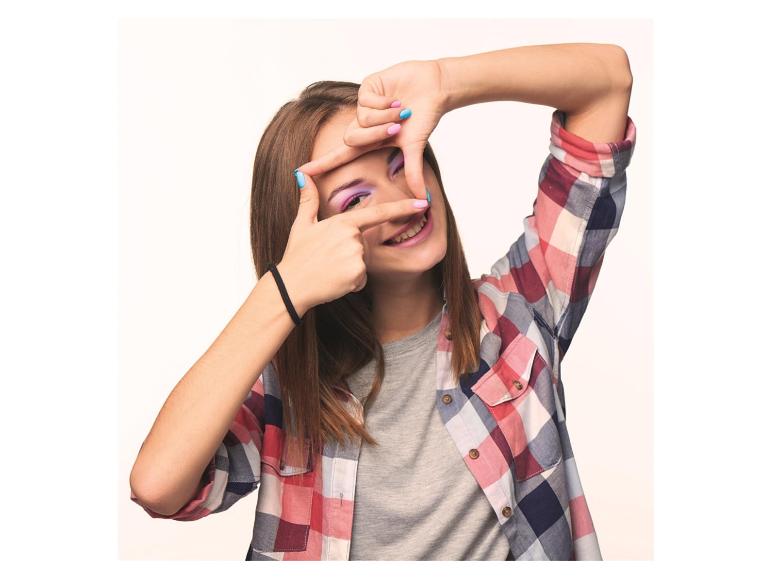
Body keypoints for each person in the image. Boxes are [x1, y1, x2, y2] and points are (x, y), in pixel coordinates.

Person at [129, 43, 637, 561]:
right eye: (356, 198)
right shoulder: (289, 387)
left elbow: (608, 84)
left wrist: (445, 80)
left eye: (400, 164)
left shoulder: (521, 310)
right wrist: (286, 286)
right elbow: (157, 486)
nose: (402, 201)